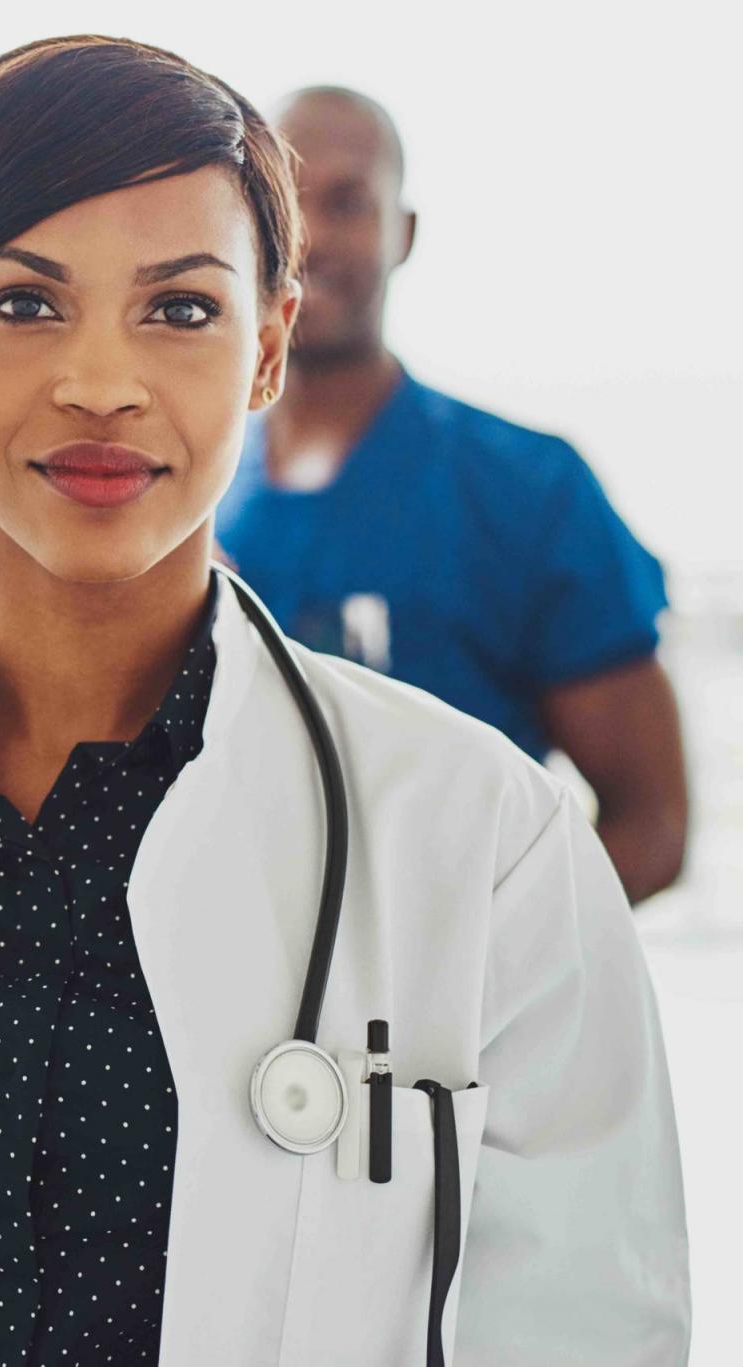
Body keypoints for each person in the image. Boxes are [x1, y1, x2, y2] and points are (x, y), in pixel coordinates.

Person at [0, 37, 689, 1366]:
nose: (101, 381)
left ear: (268, 344)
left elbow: (588, 1329)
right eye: (28, 306)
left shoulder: (488, 841)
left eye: (182, 308)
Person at [215, 86, 688, 904]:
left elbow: (653, 824)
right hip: (234, 1018)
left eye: (348, 202)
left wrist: (466, 975)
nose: (314, 236)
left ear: (404, 233)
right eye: (287, 203)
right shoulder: (183, 494)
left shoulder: (529, 489)